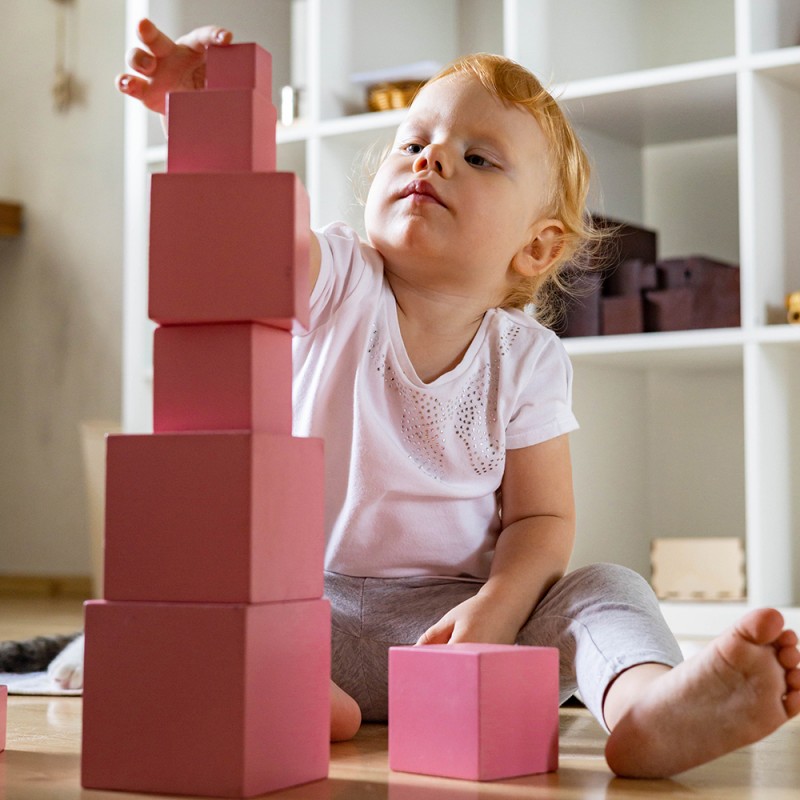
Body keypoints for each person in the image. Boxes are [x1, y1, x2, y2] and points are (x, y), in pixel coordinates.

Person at [117, 18, 800, 779]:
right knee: (202, 584)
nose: (433, 157)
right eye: (413, 145)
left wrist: (501, 608)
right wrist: (214, 106)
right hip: (309, 608)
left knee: (607, 589)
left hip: (455, 627)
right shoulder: (340, 277)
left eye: (477, 158)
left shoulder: (530, 358)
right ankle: (297, 696)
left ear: (537, 246)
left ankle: (647, 706)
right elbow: (253, 226)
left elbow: (543, 519)